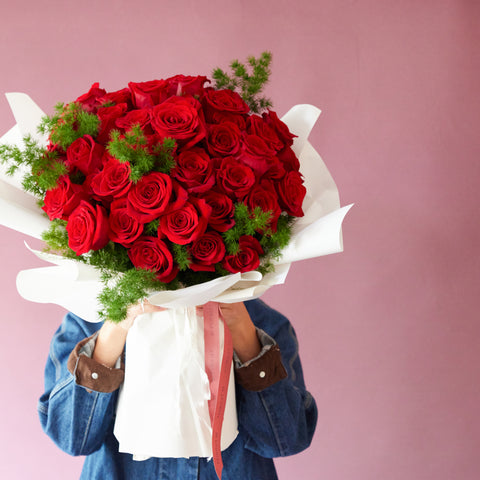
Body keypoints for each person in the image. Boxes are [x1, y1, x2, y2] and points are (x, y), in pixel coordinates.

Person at [39, 299, 317, 479]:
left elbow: (287, 441)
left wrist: (245, 337)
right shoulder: (88, 318)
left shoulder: (260, 322)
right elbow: (71, 439)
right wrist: (113, 331)